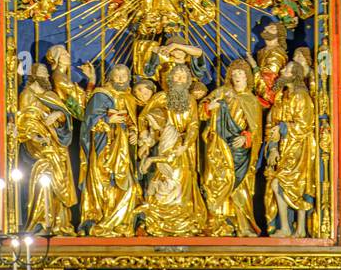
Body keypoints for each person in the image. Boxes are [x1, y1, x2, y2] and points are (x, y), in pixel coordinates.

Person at [138, 62, 207, 236]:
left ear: (188, 81)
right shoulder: (161, 97)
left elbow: (193, 124)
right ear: (170, 78)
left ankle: (181, 216)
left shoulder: (190, 100)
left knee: (180, 179)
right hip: (163, 144)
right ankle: (160, 218)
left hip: (184, 147)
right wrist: (146, 139)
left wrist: (185, 145)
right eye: (176, 76)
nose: (179, 79)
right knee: (163, 178)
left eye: (183, 77)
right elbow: (144, 117)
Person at [201, 59, 262, 236]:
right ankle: (218, 224)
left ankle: (243, 226)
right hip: (219, 146)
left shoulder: (251, 100)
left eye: (241, 74)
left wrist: (246, 138)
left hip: (239, 149)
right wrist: (208, 107)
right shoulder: (222, 92)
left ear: (247, 77)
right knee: (216, 182)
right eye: (234, 74)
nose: (237, 77)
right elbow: (201, 108)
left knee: (240, 186)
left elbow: (256, 128)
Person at [79, 63, 140, 236]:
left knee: (128, 186)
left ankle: (120, 221)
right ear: (110, 77)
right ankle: (100, 219)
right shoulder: (101, 94)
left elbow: (131, 122)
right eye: (117, 75)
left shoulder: (130, 98)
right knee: (103, 182)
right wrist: (106, 120)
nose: (121, 79)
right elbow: (89, 120)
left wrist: (134, 132)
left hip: (123, 148)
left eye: (124, 75)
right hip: (103, 145)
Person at [17, 63, 77, 234]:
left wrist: (58, 115)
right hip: (37, 143)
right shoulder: (27, 95)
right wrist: (36, 135)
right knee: (44, 172)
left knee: (59, 177)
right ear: (33, 75)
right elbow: (25, 120)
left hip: (56, 143)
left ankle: (60, 222)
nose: (46, 78)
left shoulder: (51, 95)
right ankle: (41, 219)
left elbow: (65, 116)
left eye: (46, 74)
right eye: (42, 74)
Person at [264, 60, 317, 238]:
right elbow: (272, 122)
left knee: (297, 186)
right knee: (278, 184)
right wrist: (273, 148)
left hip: (299, 147)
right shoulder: (282, 96)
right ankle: (287, 228)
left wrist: (283, 128)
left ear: (294, 74)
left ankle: (299, 228)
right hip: (284, 147)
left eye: (285, 69)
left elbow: (305, 124)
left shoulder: (301, 96)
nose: (281, 70)